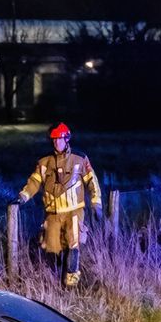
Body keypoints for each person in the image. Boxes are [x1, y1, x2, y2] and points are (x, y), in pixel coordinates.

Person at [13, 122, 102, 287]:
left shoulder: (80, 159)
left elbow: (92, 182)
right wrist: (22, 197)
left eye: (59, 139)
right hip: (52, 213)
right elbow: (34, 182)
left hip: (74, 211)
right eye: (53, 140)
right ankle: (53, 283)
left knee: (73, 243)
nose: (56, 143)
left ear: (66, 139)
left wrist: (96, 204)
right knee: (51, 247)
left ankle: (71, 284)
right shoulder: (44, 162)